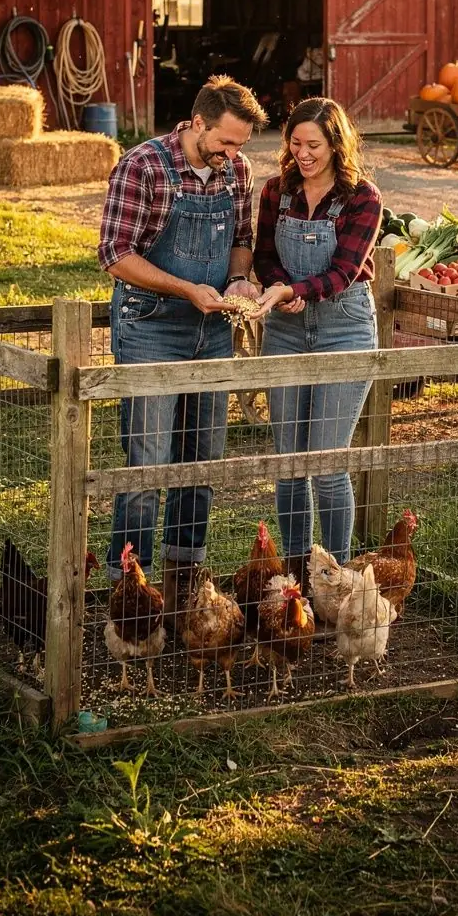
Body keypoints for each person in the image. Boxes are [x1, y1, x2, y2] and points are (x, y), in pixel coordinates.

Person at [98, 75, 268, 619]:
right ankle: (130, 593)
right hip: (151, 325)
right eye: (224, 141)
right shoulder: (143, 166)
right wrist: (185, 288)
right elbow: (115, 255)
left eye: (240, 145)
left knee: (202, 457)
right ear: (197, 123)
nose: (232, 154)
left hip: (212, 326)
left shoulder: (236, 171)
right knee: (148, 461)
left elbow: (241, 240)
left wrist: (239, 280)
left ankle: (185, 585)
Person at [254, 98, 382, 573]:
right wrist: (276, 286)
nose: (303, 154)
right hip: (285, 328)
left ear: (336, 144)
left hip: (343, 329)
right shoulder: (275, 192)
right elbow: (264, 254)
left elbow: (345, 271)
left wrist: (298, 288)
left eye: (314, 145)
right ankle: (294, 574)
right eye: (296, 143)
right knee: (289, 465)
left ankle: (337, 575)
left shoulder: (362, 197)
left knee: (327, 464)